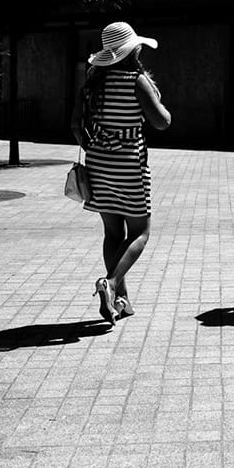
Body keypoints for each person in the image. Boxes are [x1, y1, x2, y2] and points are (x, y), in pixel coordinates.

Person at [72, 21, 172, 325]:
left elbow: (76, 125)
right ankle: (111, 284)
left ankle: (120, 302)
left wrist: (92, 147)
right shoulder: (136, 81)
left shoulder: (92, 82)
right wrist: (161, 105)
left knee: (112, 233)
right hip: (129, 161)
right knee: (140, 232)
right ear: (134, 50)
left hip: (99, 162)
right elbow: (161, 122)